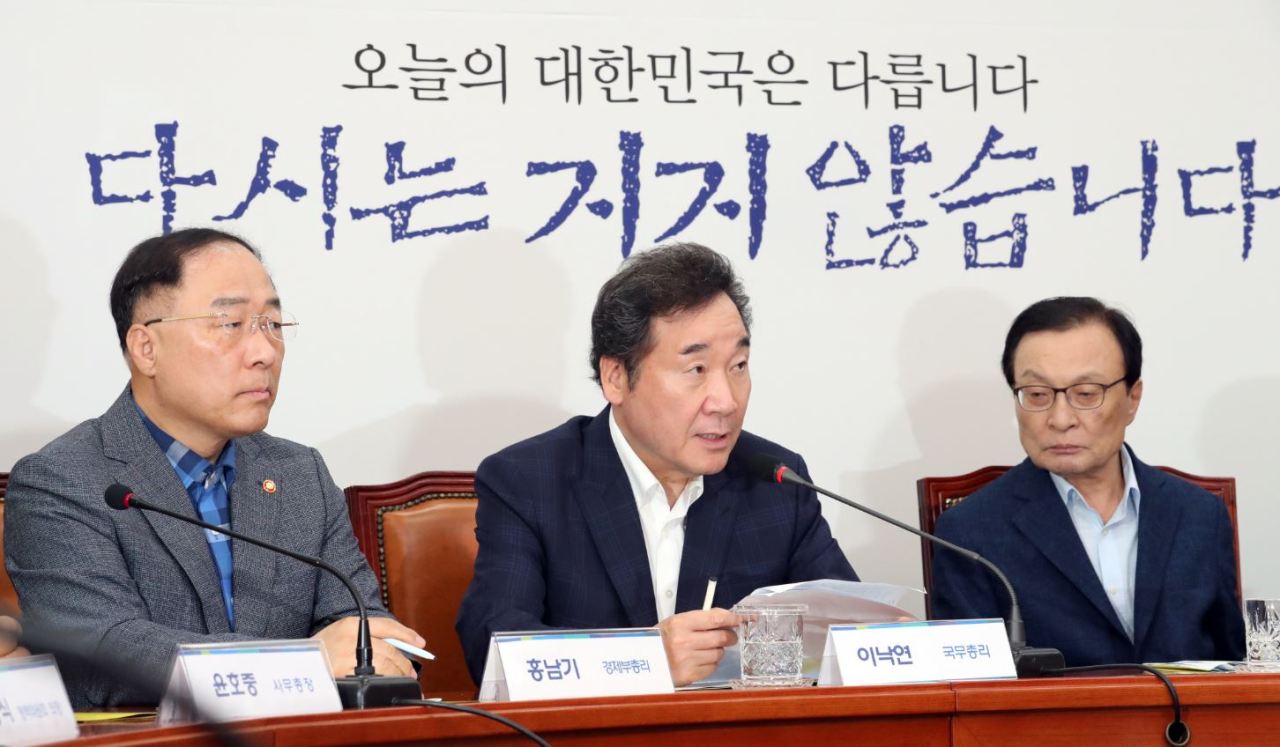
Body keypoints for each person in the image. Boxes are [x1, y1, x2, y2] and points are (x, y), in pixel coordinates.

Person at [5, 228, 423, 706]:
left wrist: (368, 650)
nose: (264, 352)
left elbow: (361, 631)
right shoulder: (65, 480)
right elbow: (105, 654)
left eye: (272, 324)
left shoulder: (297, 472)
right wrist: (301, 662)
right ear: (146, 348)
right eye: (230, 324)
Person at [456, 242, 857, 686]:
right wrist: (644, 660)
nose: (725, 401)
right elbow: (493, 649)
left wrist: (878, 643)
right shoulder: (529, 481)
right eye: (696, 370)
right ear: (616, 378)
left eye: (738, 365)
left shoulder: (775, 482)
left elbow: (848, 636)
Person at [931, 296, 1244, 665]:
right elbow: (968, 694)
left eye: (1085, 394)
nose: (1061, 418)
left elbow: (1234, 668)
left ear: (1132, 399)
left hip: (1185, 724)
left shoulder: (1198, 514)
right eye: (1037, 395)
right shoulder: (970, 533)